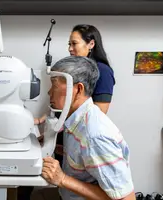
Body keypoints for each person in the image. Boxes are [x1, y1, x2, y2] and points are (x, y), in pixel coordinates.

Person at [41, 56, 135, 200]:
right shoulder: (75, 120)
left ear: (78, 89)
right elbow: (84, 160)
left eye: (54, 85)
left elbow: (126, 198)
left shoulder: (95, 135)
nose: (49, 92)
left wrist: (62, 179)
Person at [37, 23, 115, 169]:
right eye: (69, 44)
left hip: (78, 133)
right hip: (67, 131)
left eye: (74, 43)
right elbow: (65, 101)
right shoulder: (74, 69)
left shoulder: (103, 71)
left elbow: (99, 112)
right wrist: (46, 122)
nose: (70, 48)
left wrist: (57, 129)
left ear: (91, 43)